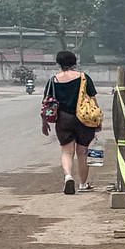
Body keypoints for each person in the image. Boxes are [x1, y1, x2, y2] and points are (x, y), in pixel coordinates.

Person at [43, 49, 98, 195]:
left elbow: (46, 103)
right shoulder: (83, 78)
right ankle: (83, 184)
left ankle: (68, 176)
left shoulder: (53, 81)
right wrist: (97, 119)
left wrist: (44, 122)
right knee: (82, 152)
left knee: (67, 152)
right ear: (74, 61)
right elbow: (92, 99)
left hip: (63, 119)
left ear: (58, 63)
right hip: (83, 119)